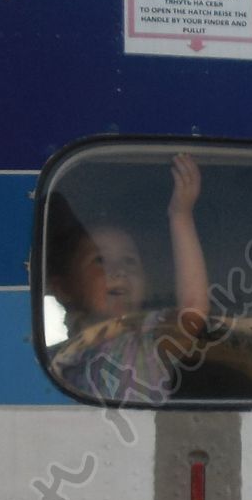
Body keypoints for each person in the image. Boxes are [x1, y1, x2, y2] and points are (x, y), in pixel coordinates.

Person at [46, 153, 208, 404]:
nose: (119, 270)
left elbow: (192, 312)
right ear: (64, 288)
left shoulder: (148, 340)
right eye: (100, 260)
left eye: (130, 261)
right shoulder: (56, 359)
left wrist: (180, 215)